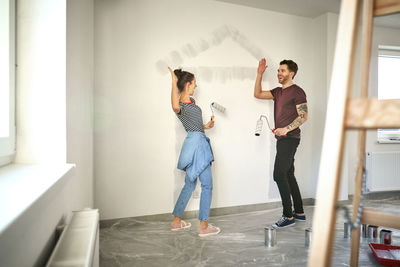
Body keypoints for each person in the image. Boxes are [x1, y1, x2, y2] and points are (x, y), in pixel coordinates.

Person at [253, 59, 308, 228]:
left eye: (282, 71)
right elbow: (258, 94)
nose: (279, 73)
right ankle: (299, 213)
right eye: (278, 70)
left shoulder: (297, 92)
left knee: (279, 175)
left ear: (291, 73)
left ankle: (288, 216)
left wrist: (286, 129)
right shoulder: (277, 92)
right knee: (289, 174)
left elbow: (304, 116)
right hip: (283, 140)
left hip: (290, 139)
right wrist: (259, 74)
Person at [168, 66, 221, 237]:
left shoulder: (193, 103)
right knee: (207, 185)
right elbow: (175, 106)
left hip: (196, 141)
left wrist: (206, 126)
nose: (196, 86)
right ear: (187, 85)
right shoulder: (181, 104)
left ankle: (177, 222)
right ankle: (204, 227)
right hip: (197, 146)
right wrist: (174, 82)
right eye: (194, 83)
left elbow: (195, 125)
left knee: (190, 185)